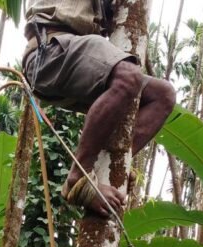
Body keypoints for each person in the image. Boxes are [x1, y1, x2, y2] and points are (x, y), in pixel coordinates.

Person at [22, 0, 176, 218]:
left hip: (76, 58)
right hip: (50, 50)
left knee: (162, 95)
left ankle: (115, 162)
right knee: (128, 77)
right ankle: (79, 176)